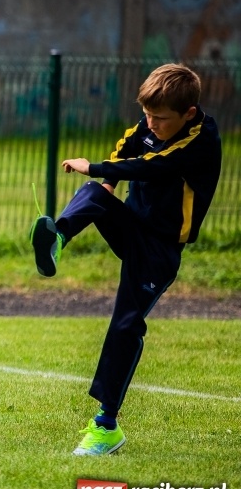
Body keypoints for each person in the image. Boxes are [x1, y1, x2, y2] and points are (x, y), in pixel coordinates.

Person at [30, 63, 222, 455]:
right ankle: (58, 238)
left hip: (160, 250)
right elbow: (129, 147)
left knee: (126, 324)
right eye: (147, 114)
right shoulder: (151, 123)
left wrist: (97, 167)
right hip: (134, 226)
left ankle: (106, 426)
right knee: (96, 195)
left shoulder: (200, 139)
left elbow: (150, 167)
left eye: (160, 118)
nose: (151, 123)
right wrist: (105, 182)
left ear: (187, 114)